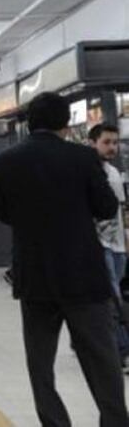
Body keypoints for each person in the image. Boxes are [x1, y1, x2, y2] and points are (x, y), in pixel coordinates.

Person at [0, 92, 127, 427]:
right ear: (66, 123)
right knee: (101, 359)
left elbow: (4, 214)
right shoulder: (83, 157)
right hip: (84, 274)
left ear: (29, 122)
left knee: (41, 365)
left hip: (34, 276)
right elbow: (107, 208)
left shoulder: (4, 162)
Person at [89, 123, 129, 361]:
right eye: (106, 142)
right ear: (92, 143)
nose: (112, 147)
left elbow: (120, 210)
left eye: (115, 142)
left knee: (116, 295)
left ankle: (83, 339)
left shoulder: (113, 172)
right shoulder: (89, 172)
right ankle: (121, 350)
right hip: (99, 244)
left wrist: (125, 239)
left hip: (117, 245)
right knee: (112, 297)